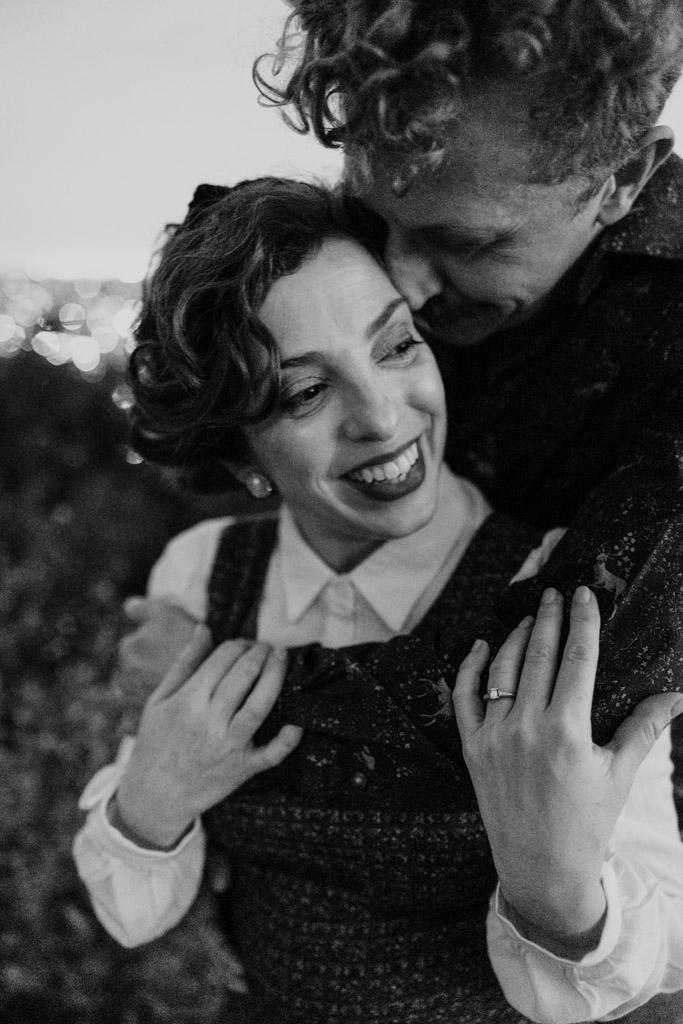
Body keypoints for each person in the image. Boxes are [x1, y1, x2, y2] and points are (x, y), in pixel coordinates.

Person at [74, 178, 683, 1024]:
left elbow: (655, 947)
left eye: (394, 346)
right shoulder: (199, 576)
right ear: (242, 448)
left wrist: (558, 894)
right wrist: (151, 800)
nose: (383, 415)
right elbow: (133, 912)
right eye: (305, 392)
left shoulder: (543, 580)